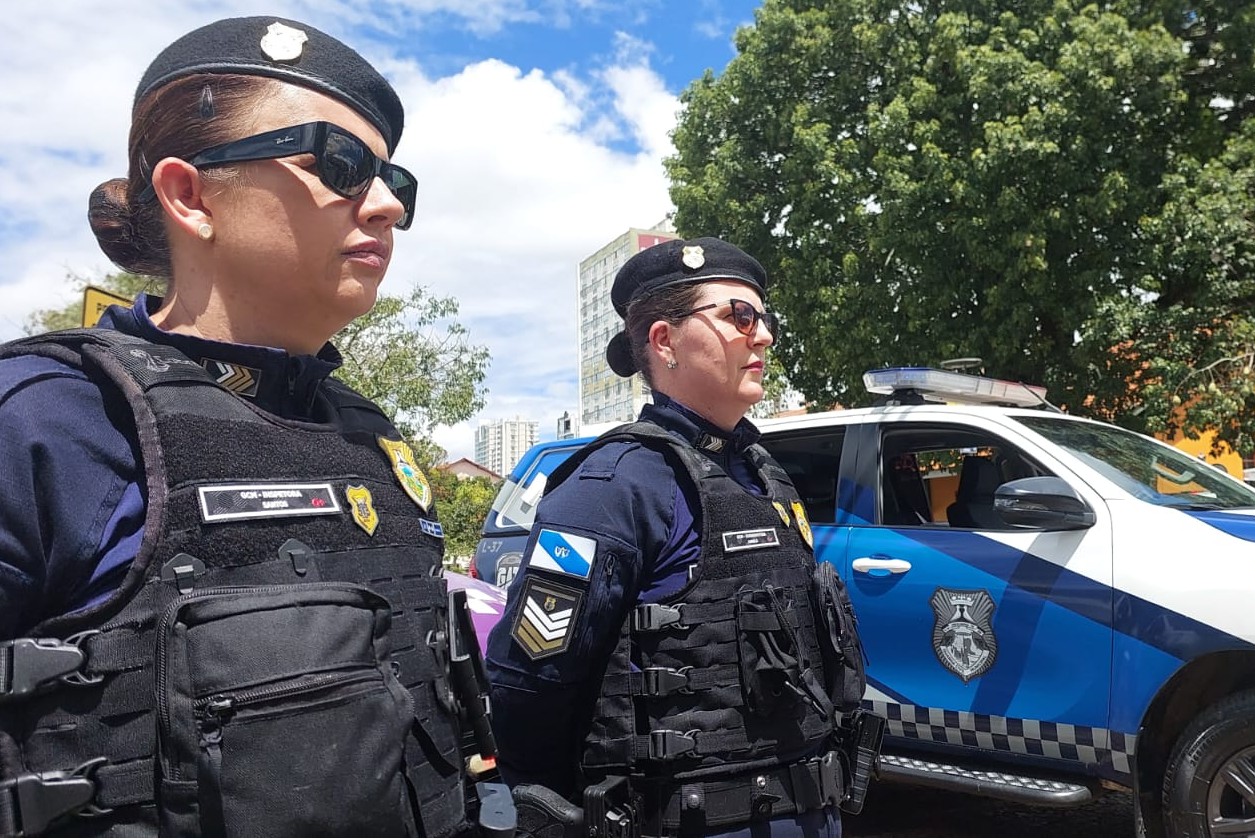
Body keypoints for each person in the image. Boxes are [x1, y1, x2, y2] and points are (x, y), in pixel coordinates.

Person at [0, 17, 505, 837]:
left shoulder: (369, 437)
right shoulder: (46, 421)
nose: (385, 208)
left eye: (394, 181)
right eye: (339, 164)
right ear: (190, 194)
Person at [485, 238, 878, 837]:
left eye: (764, 317)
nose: (763, 335)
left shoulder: (763, 474)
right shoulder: (612, 486)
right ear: (664, 341)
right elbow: (531, 680)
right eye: (737, 316)